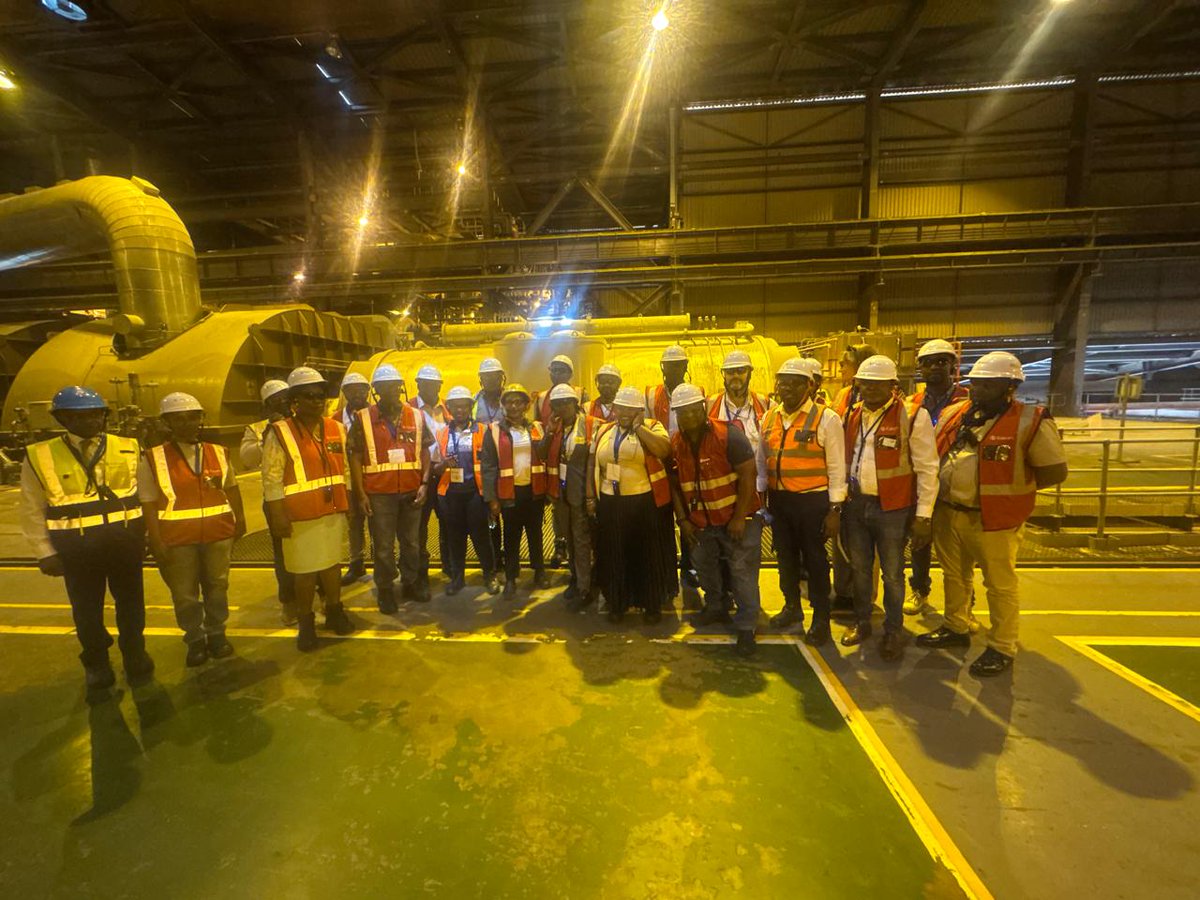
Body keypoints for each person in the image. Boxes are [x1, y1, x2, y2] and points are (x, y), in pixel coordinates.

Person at [916, 351, 1068, 677]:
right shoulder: (957, 414)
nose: (979, 390)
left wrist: (1010, 493)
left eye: (988, 385)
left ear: (1009, 387)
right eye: (976, 383)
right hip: (950, 511)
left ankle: (1002, 646)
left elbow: (1053, 471)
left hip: (993, 519)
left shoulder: (1031, 420)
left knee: (1000, 585)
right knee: (954, 575)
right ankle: (955, 626)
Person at [21, 385, 155, 698]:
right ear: (62, 418)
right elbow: (30, 507)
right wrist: (44, 552)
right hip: (76, 551)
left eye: (96, 414)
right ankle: (96, 662)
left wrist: (148, 536)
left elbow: (146, 494)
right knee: (86, 610)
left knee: (132, 605)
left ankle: (135, 654)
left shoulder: (129, 446)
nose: (91, 421)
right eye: (80, 416)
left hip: (124, 544)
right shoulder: (40, 456)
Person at [840, 356, 939, 661]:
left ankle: (893, 630)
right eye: (864, 383)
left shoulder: (912, 416)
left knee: (893, 574)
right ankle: (862, 621)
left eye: (877, 384)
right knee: (859, 570)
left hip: (892, 509)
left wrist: (923, 515)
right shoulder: (853, 414)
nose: (869, 389)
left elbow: (927, 467)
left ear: (892, 386)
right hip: (857, 505)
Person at [141, 392, 246, 667]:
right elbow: (148, 502)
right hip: (177, 539)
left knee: (217, 586)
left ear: (201, 419)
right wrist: (155, 539)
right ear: (167, 424)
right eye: (179, 419)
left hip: (218, 533)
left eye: (193, 417)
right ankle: (195, 639)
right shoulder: (153, 458)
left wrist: (240, 520)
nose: (188, 424)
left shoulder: (218, 452)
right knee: (185, 594)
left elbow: (231, 488)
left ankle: (217, 634)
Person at [262, 367, 356, 650]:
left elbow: (346, 470)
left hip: (332, 510)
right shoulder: (280, 432)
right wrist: (277, 515)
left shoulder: (336, 428)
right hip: (300, 515)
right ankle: (306, 622)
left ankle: (334, 610)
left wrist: (348, 504)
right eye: (309, 396)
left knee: (331, 565)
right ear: (294, 400)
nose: (317, 401)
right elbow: (271, 478)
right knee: (304, 572)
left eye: (321, 395)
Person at [759, 358, 847, 646]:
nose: (788, 389)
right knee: (785, 559)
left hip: (812, 503)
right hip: (780, 502)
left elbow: (836, 468)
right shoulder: (769, 417)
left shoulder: (826, 418)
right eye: (783, 382)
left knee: (816, 561)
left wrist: (835, 510)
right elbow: (763, 460)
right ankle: (792, 607)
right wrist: (762, 497)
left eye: (795, 383)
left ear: (809, 385)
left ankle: (820, 619)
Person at [672, 384, 763, 657]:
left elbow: (748, 475)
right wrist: (683, 520)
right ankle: (715, 607)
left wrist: (739, 518)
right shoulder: (677, 443)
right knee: (705, 568)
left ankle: (747, 627)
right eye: (682, 413)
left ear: (702, 408)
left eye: (692, 411)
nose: (688, 417)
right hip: (701, 523)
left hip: (736, 520)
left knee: (742, 573)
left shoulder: (729, 435)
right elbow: (676, 484)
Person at [348, 364, 433, 612]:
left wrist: (425, 484)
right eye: (383, 388)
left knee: (412, 542)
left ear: (400, 388)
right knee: (384, 545)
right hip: (379, 494)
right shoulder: (363, 419)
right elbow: (354, 455)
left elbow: (425, 450)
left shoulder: (416, 416)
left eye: (393, 387)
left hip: (411, 490)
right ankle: (385, 588)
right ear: (375, 391)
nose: (389, 392)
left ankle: (410, 582)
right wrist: (361, 494)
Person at [591, 385, 675, 623]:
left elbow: (664, 450)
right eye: (621, 408)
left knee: (646, 554)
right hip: (611, 501)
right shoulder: (604, 430)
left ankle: (650, 605)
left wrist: (639, 428)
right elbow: (594, 463)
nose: (624, 414)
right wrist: (591, 496)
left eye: (631, 410)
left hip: (643, 501)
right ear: (614, 409)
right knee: (615, 553)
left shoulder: (653, 427)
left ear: (640, 410)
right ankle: (617, 602)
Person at [903, 338, 969, 615]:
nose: (934, 368)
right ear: (920, 368)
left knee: (959, 553)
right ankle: (920, 589)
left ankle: (965, 606)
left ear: (954, 365)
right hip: (921, 484)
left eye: (941, 362)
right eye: (927, 363)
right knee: (920, 542)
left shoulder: (968, 401)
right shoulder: (911, 403)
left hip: (955, 487)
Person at [481, 383, 551, 599]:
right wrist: (492, 499)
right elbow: (489, 467)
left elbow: (545, 456)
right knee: (511, 537)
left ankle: (539, 571)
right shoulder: (493, 431)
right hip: (509, 494)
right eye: (509, 401)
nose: (513, 406)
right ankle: (511, 578)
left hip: (533, 492)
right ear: (503, 405)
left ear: (526, 405)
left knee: (535, 534)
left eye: (518, 401)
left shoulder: (537, 428)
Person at [538, 384, 601, 610]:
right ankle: (576, 578)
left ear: (576, 404)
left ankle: (585, 587)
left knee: (583, 541)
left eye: (567, 402)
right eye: (557, 404)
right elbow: (542, 454)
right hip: (560, 494)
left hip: (581, 495)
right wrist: (548, 432)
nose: (563, 407)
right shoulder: (554, 428)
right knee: (571, 540)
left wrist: (592, 496)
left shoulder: (592, 425)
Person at [434, 385, 501, 595]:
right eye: (456, 407)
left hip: (475, 494)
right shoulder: (442, 433)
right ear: (450, 408)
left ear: (470, 407)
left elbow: (491, 465)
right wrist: (443, 464)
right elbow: (434, 467)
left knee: (482, 537)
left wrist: (491, 498)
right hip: (451, 496)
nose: (460, 410)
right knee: (455, 538)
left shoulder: (483, 431)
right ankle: (457, 578)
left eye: (464, 406)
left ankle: (490, 576)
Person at [240, 378, 297, 625]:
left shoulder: (302, 422)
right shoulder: (257, 429)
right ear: (266, 405)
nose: (282, 404)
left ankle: (323, 594)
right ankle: (289, 603)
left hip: (305, 495)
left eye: (285, 398)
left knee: (314, 548)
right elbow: (247, 459)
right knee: (282, 553)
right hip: (276, 501)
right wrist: (267, 436)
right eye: (276, 401)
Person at [645, 343, 700, 589]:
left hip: (687, 457)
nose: (674, 370)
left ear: (686, 367)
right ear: (663, 367)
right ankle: (666, 562)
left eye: (679, 365)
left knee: (690, 512)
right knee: (660, 513)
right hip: (660, 460)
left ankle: (690, 564)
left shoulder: (697, 391)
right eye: (670, 365)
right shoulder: (650, 394)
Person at [831, 343, 878, 614]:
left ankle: (864, 597)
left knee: (866, 550)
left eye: (844, 363)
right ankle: (843, 591)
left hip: (871, 487)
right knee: (842, 542)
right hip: (845, 480)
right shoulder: (844, 395)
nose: (839, 367)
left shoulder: (883, 399)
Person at [533, 354, 577, 566]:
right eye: (554, 370)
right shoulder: (541, 398)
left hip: (572, 458)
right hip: (550, 459)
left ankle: (578, 549)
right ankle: (560, 545)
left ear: (570, 373)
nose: (557, 374)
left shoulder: (579, 393)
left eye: (562, 370)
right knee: (557, 504)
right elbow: (536, 428)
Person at [410, 363, 449, 592]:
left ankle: (448, 564)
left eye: (435, 384)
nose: (431, 388)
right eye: (426, 383)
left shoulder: (447, 410)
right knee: (419, 527)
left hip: (444, 474)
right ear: (418, 384)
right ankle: (420, 571)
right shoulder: (409, 410)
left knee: (447, 521)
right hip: (420, 476)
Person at [338, 372, 372, 585]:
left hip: (375, 477)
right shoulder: (334, 420)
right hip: (349, 479)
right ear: (345, 393)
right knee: (354, 523)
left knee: (380, 525)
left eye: (362, 389)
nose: (358, 393)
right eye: (353, 389)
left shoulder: (378, 414)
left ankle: (383, 563)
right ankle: (356, 564)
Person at [473, 357, 507, 426]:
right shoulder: (474, 401)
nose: (492, 380)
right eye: (487, 377)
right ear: (481, 380)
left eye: (495, 376)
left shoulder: (510, 399)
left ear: (502, 378)